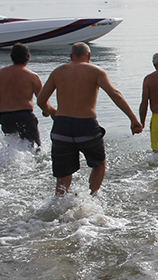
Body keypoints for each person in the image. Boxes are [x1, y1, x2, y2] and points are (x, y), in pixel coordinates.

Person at [37, 42, 143, 196]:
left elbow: (41, 101)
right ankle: (91, 198)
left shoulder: (58, 72)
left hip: (61, 127)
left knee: (63, 174)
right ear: (89, 56)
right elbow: (115, 94)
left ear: (71, 57)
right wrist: (133, 119)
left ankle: (59, 205)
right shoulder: (96, 71)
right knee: (99, 164)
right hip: (86, 126)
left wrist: (52, 112)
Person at [0, 43, 44, 148]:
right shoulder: (33, 76)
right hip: (25, 116)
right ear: (28, 57)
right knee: (35, 147)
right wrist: (46, 111)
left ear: (11, 57)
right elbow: (42, 100)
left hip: (6, 117)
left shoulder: (0, 74)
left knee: (12, 147)